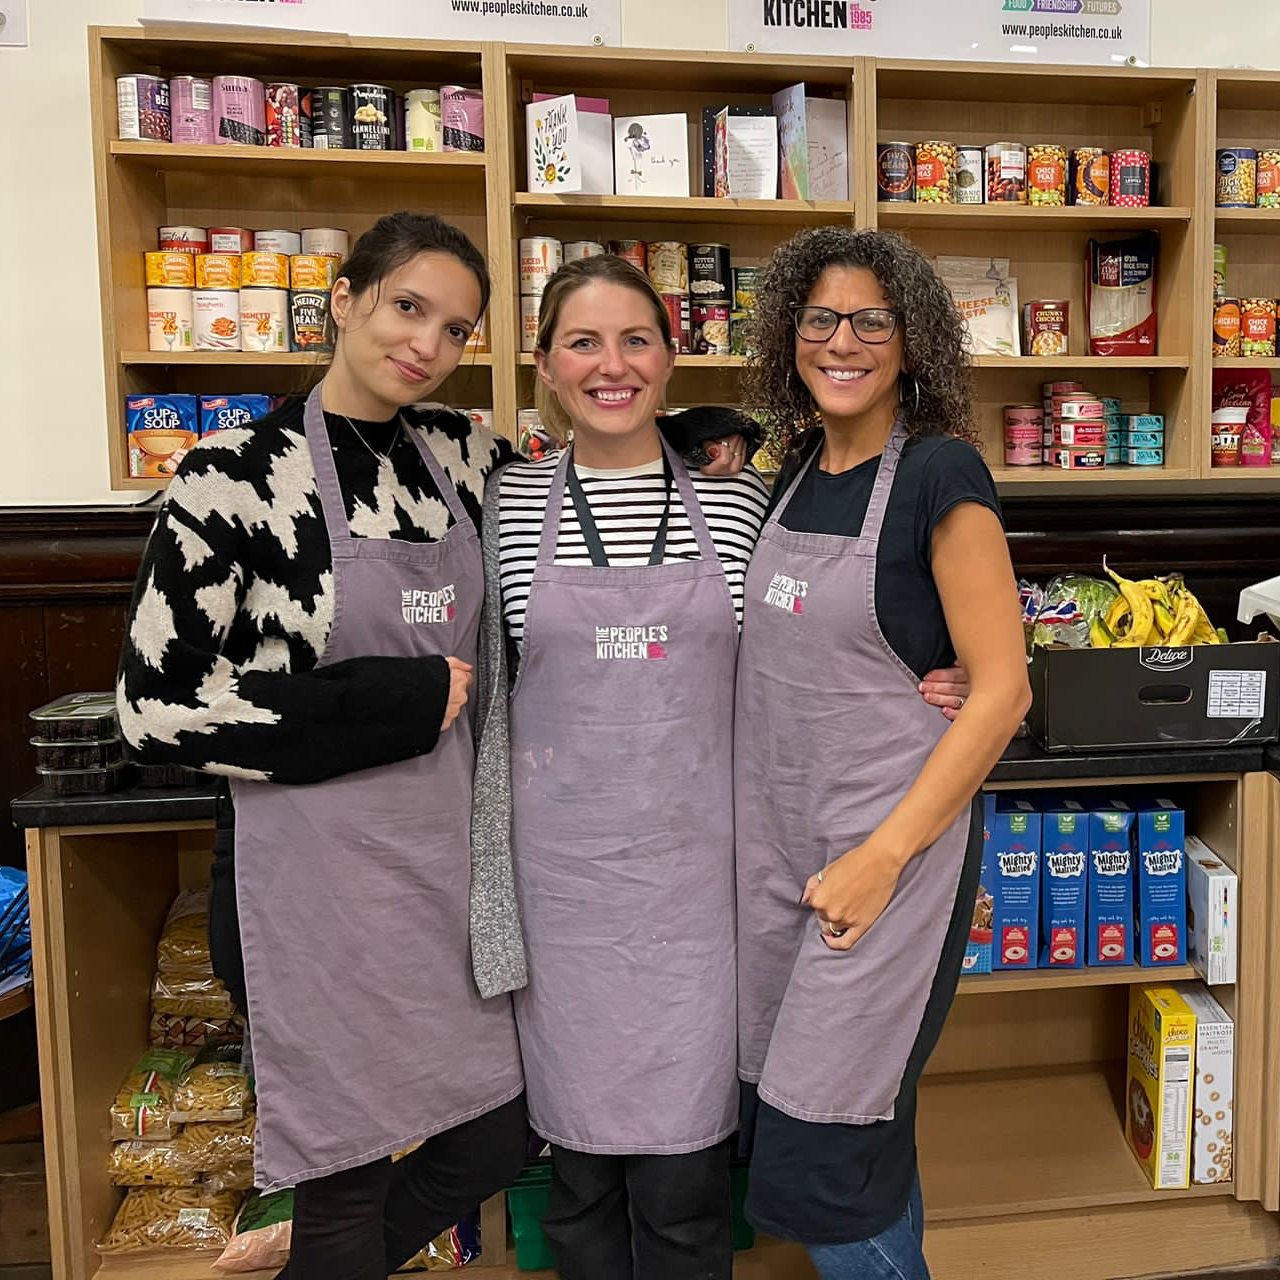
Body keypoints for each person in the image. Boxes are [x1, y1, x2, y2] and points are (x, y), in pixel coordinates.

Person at [470, 254, 968, 1280]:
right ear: (545, 365)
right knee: (575, 1186)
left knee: (688, 1190)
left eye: (635, 339)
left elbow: (818, 648)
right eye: (582, 342)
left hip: (707, 895)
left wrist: (936, 675)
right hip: (561, 892)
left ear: (669, 356)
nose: (611, 365)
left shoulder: (744, 509)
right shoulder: (501, 504)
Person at [117, 212, 532, 1280]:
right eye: (407, 308)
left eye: (455, 328)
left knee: (512, 1118)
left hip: (448, 862)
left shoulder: (467, 458)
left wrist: (708, 458)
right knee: (344, 1167)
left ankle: (314, 1259)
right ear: (342, 299)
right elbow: (157, 707)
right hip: (302, 879)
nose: (427, 345)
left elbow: (583, 529)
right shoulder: (231, 475)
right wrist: (388, 699)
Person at [733, 227, 1030, 1280]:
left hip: (886, 862)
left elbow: (998, 690)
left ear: (911, 340)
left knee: (825, 1146)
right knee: (845, 1135)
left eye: (871, 319)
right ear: (788, 336)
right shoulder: (794, 469)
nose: (842, 340)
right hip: (781, 856)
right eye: (819, 318)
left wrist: (882, 854)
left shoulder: (942, 472)